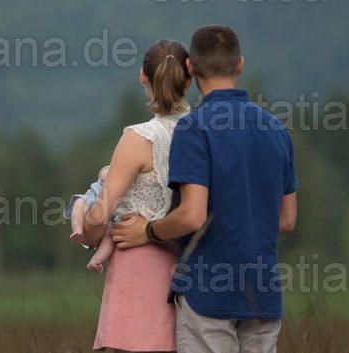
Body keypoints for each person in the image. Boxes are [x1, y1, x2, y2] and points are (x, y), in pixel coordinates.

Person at [112, 25, 298, 353]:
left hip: (207, 294)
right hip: (263, 294)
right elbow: (286, 219)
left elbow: (192, 216)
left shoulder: (194, 129)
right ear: (239, 65)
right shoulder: (276, 129)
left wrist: (149, 230)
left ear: (190, 68)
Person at [83, 38, 192, 352]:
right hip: (190, 273)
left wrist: (87, 227)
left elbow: (100, 215)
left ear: (143, 76)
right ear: (188, 78)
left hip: (137, 271)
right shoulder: (203, 132)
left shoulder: (138, 138)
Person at [65, 165, 115, 272]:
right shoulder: (113, 168)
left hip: (114, 213)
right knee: (79, 202)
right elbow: (103, 174)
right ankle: (78, 230)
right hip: (95, 198)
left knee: (112, 235)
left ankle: (96, 260)